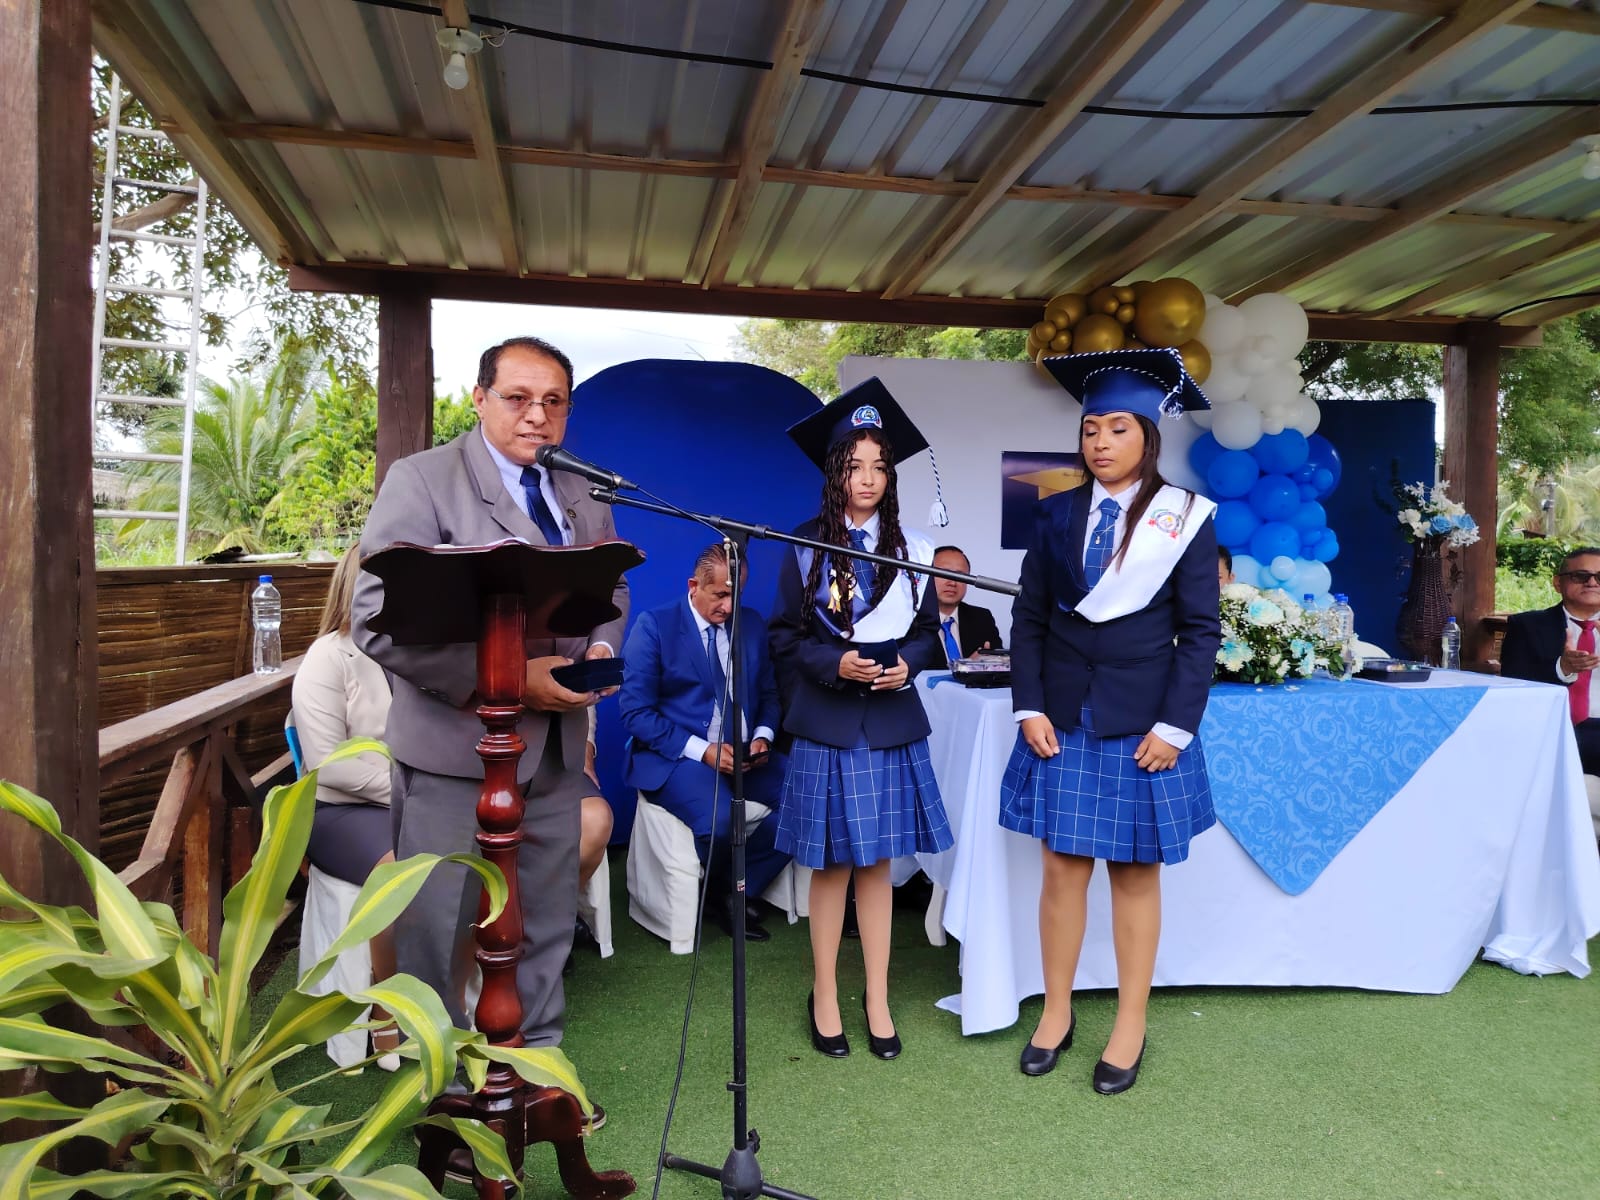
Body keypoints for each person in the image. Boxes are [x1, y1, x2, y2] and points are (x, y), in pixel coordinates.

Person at [351, 336, 626, 1127]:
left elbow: (611, 593)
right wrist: (508, 679)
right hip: (454, 752)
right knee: (436, 929)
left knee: (543, 925)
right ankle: (443, 1097)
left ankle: (537, 1077)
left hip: (555, 753)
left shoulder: (582, 488)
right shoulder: (422, 480)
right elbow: (375, 618)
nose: (537, 416)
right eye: (518, 398)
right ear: (478, 399)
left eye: (554, 402)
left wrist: (598, 650)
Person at [1003, 348, 1221, 1094]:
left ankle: (1130, 1024)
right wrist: (1029, 704)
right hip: (1062, 717)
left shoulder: (1183, 518)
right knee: (1061, 871)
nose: (1100, 442)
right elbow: (1029, 619)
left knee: (1133, 874)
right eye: (1090, 428)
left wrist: (1176, 727)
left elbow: (1201, 633)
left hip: (1142, 723)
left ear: (1148, 436)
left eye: (1117, 428)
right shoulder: (1053, 513)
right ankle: (1055, 1013)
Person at [769, 379, 953, 1061]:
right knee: (832, 867)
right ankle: (824, 992)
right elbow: (784, 637)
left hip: (891, 720)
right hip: (830, 720)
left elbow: (930, 634)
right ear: (835, 472)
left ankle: (877, 998)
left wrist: (909, 662)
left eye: (880, 466)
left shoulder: (914, 548)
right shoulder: (804, 544)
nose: (868, 478)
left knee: (877, 865)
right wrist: (834, 664)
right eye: (854, 465)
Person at [619, 543, 792, 941]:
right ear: (693, 586)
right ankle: (719, 891)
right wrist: (705, 751)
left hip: (747, 755)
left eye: (737, 595)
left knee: (812, 797)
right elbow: (635, 713)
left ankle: (734, 889)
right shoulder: (655, 626)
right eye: (720, 595)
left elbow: (769, 693)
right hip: (680, 757)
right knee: (720, 819)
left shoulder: (752, 625)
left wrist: (763, 736)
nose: (729, 607)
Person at [292, 545, 401, 1069]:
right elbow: (328, 766)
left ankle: (453, 991)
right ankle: (386, 1004)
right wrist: (410, 791)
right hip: (339, 810)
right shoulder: (328, 657)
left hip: (404, 800)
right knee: (398, 871)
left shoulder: (416, 655)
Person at [1500, 546, 1600, 781]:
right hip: (1552, 728)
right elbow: (1514, 684)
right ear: (1558, 583)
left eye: (1599, 577)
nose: (1592, 583)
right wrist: (1562, 668)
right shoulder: (1526, 626)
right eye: (1581, 576)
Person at [931, 544, 1004, 664]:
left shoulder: (982, 618)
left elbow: (1000, 663)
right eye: (943, 574)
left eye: (960, 575)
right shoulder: (909, 621)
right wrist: (966, 666)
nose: (952, 582)